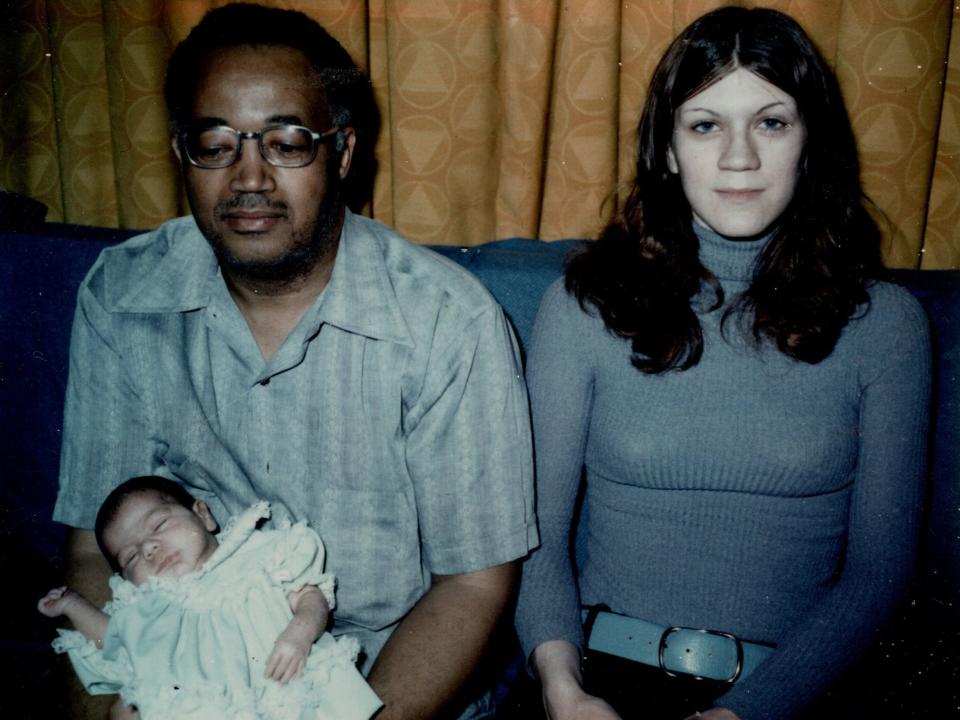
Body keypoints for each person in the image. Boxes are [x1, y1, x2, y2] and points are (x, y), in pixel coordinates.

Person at [52, 4, 537, 719]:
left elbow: (472, 585)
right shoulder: (122, 297)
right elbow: (97, 550)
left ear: (341, 153)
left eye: (287, 143)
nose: (250, 178)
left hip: (382, 688)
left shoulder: (447, 323)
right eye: (215, 144)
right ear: (182, 153)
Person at [514, 6, 931, 720]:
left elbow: (878, 576)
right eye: (705, 125)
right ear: (668, 149)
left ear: (810, 143)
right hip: (598, 689)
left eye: (771, 122)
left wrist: (748, 713)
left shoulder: (885, 326)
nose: (740, 157)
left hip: (793, 698)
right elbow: (535, 538)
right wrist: (562, 687)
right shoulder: (580, 307)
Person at [39, 476, 382, 720]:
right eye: (131, 557)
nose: (149, 548)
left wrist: (299, 635)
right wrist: (72, 604)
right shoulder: (153, 609)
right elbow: (114, 638)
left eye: (158, 525)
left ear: (203, 514)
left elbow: (310, 597)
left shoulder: (260, 556)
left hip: (276, 690)